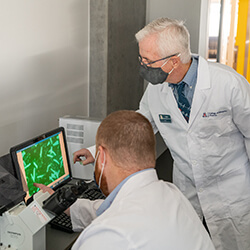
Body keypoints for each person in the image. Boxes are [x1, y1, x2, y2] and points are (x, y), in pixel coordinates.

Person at [74, 18, 250, 250]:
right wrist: (97, 151)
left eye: (148, 60)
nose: (143, 66)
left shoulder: (228, 84)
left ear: (174, 61)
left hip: (231, 193)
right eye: (141, 59)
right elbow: (138, 124)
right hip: (187, 192)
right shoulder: (157, 90)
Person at [37, 110, 214, 249]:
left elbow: (116, 221)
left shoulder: (107, 236)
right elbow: (112, 210)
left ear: (103, 156)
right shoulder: (172, 194)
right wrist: (65, 204)